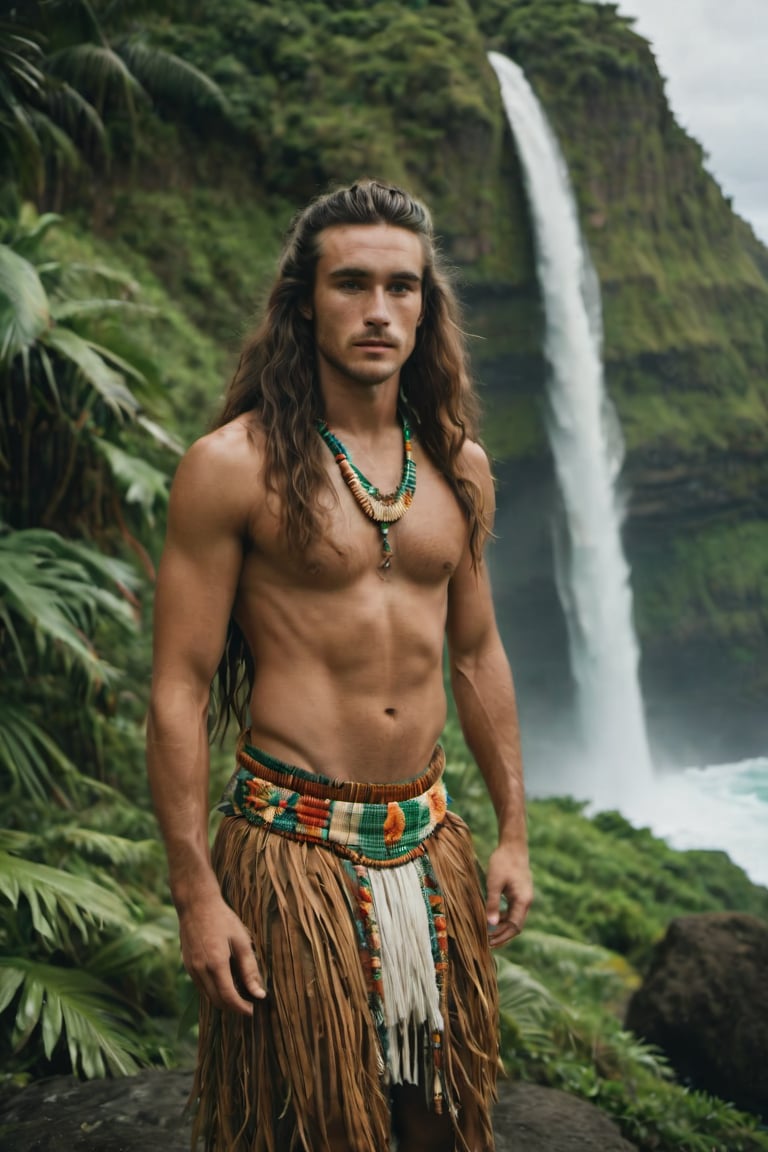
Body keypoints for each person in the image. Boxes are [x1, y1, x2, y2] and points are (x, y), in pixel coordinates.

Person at [147, 179, 532, 1152]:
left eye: (402, 288)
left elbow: (478, 655)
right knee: (317, 1131)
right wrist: (197, 895)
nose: (377, 311)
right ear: (303, 300)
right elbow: (181, 691)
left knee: (441, 1124)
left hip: (431, 838)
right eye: (351, 283)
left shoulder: (457, 463)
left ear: (426, 306)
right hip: (290, 851)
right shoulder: (232, 467)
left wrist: (514, 834)